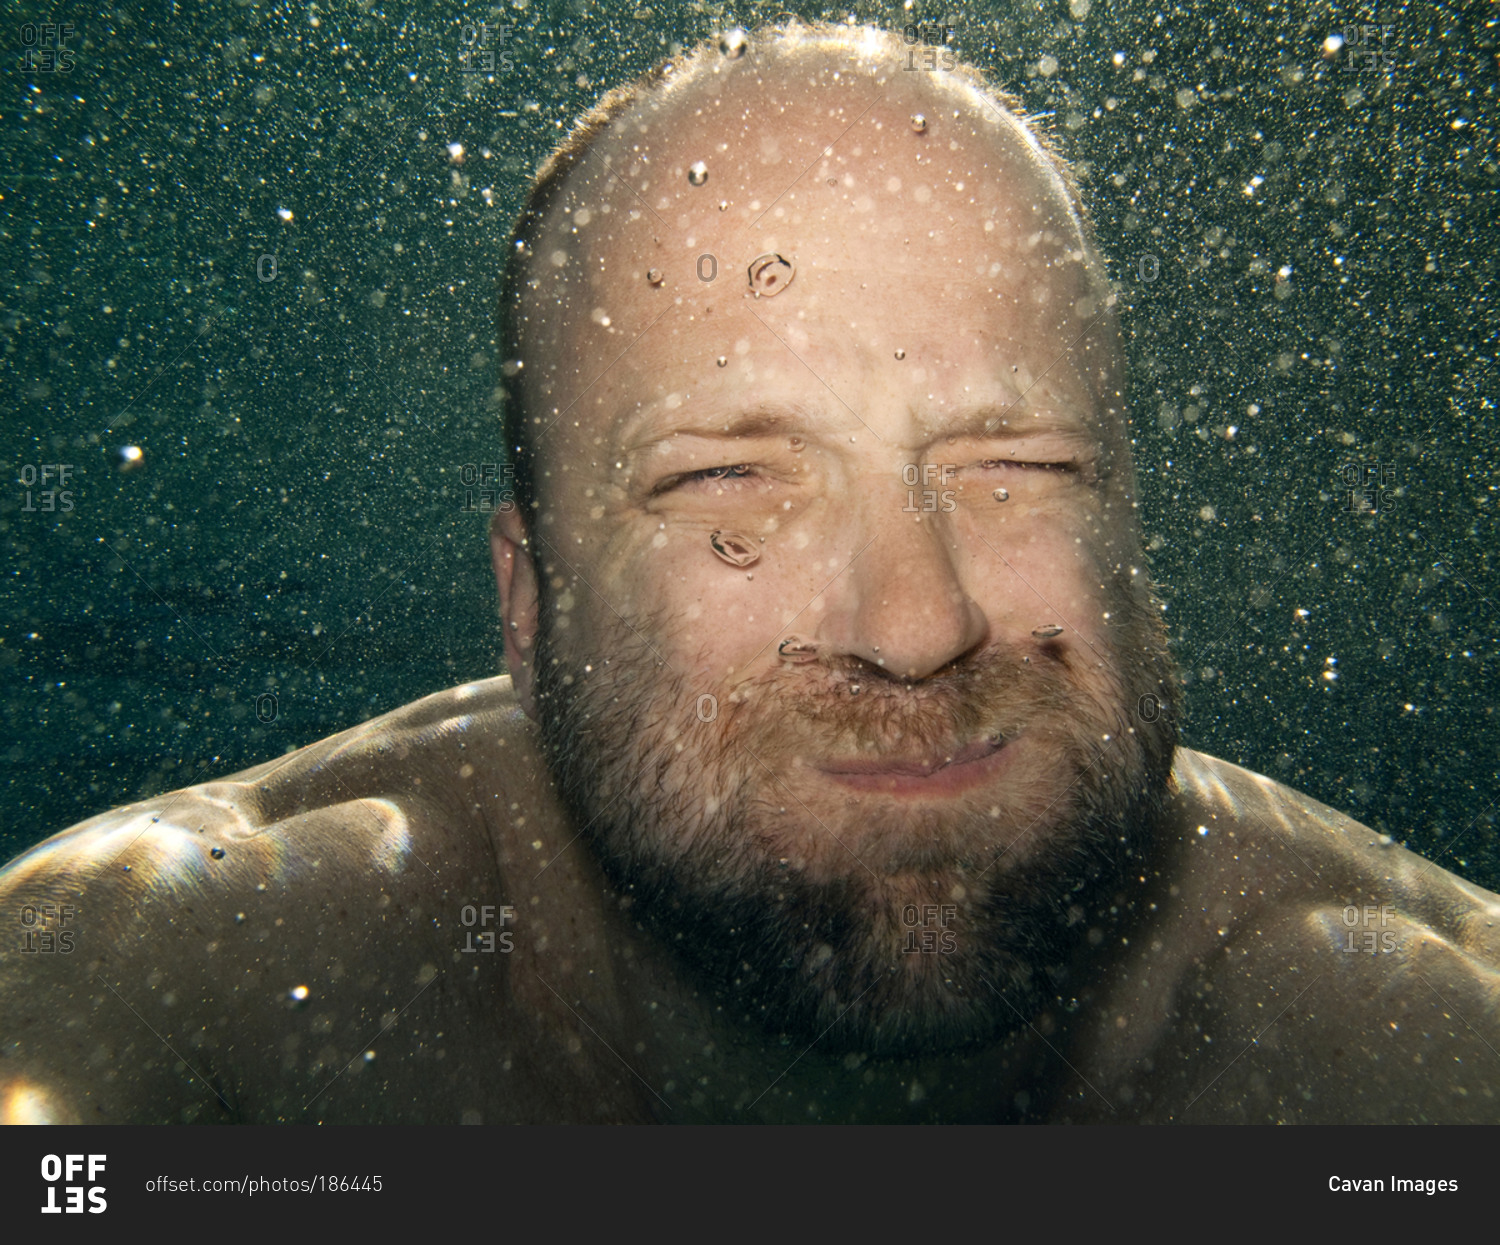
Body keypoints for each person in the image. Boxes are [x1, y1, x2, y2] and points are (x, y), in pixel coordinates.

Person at [2, 22, 1496, 1125]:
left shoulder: (1394, 1034)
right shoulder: (197, 1003)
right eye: (728, 480)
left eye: (1018, 466)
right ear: (528, 606)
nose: (916, 625)